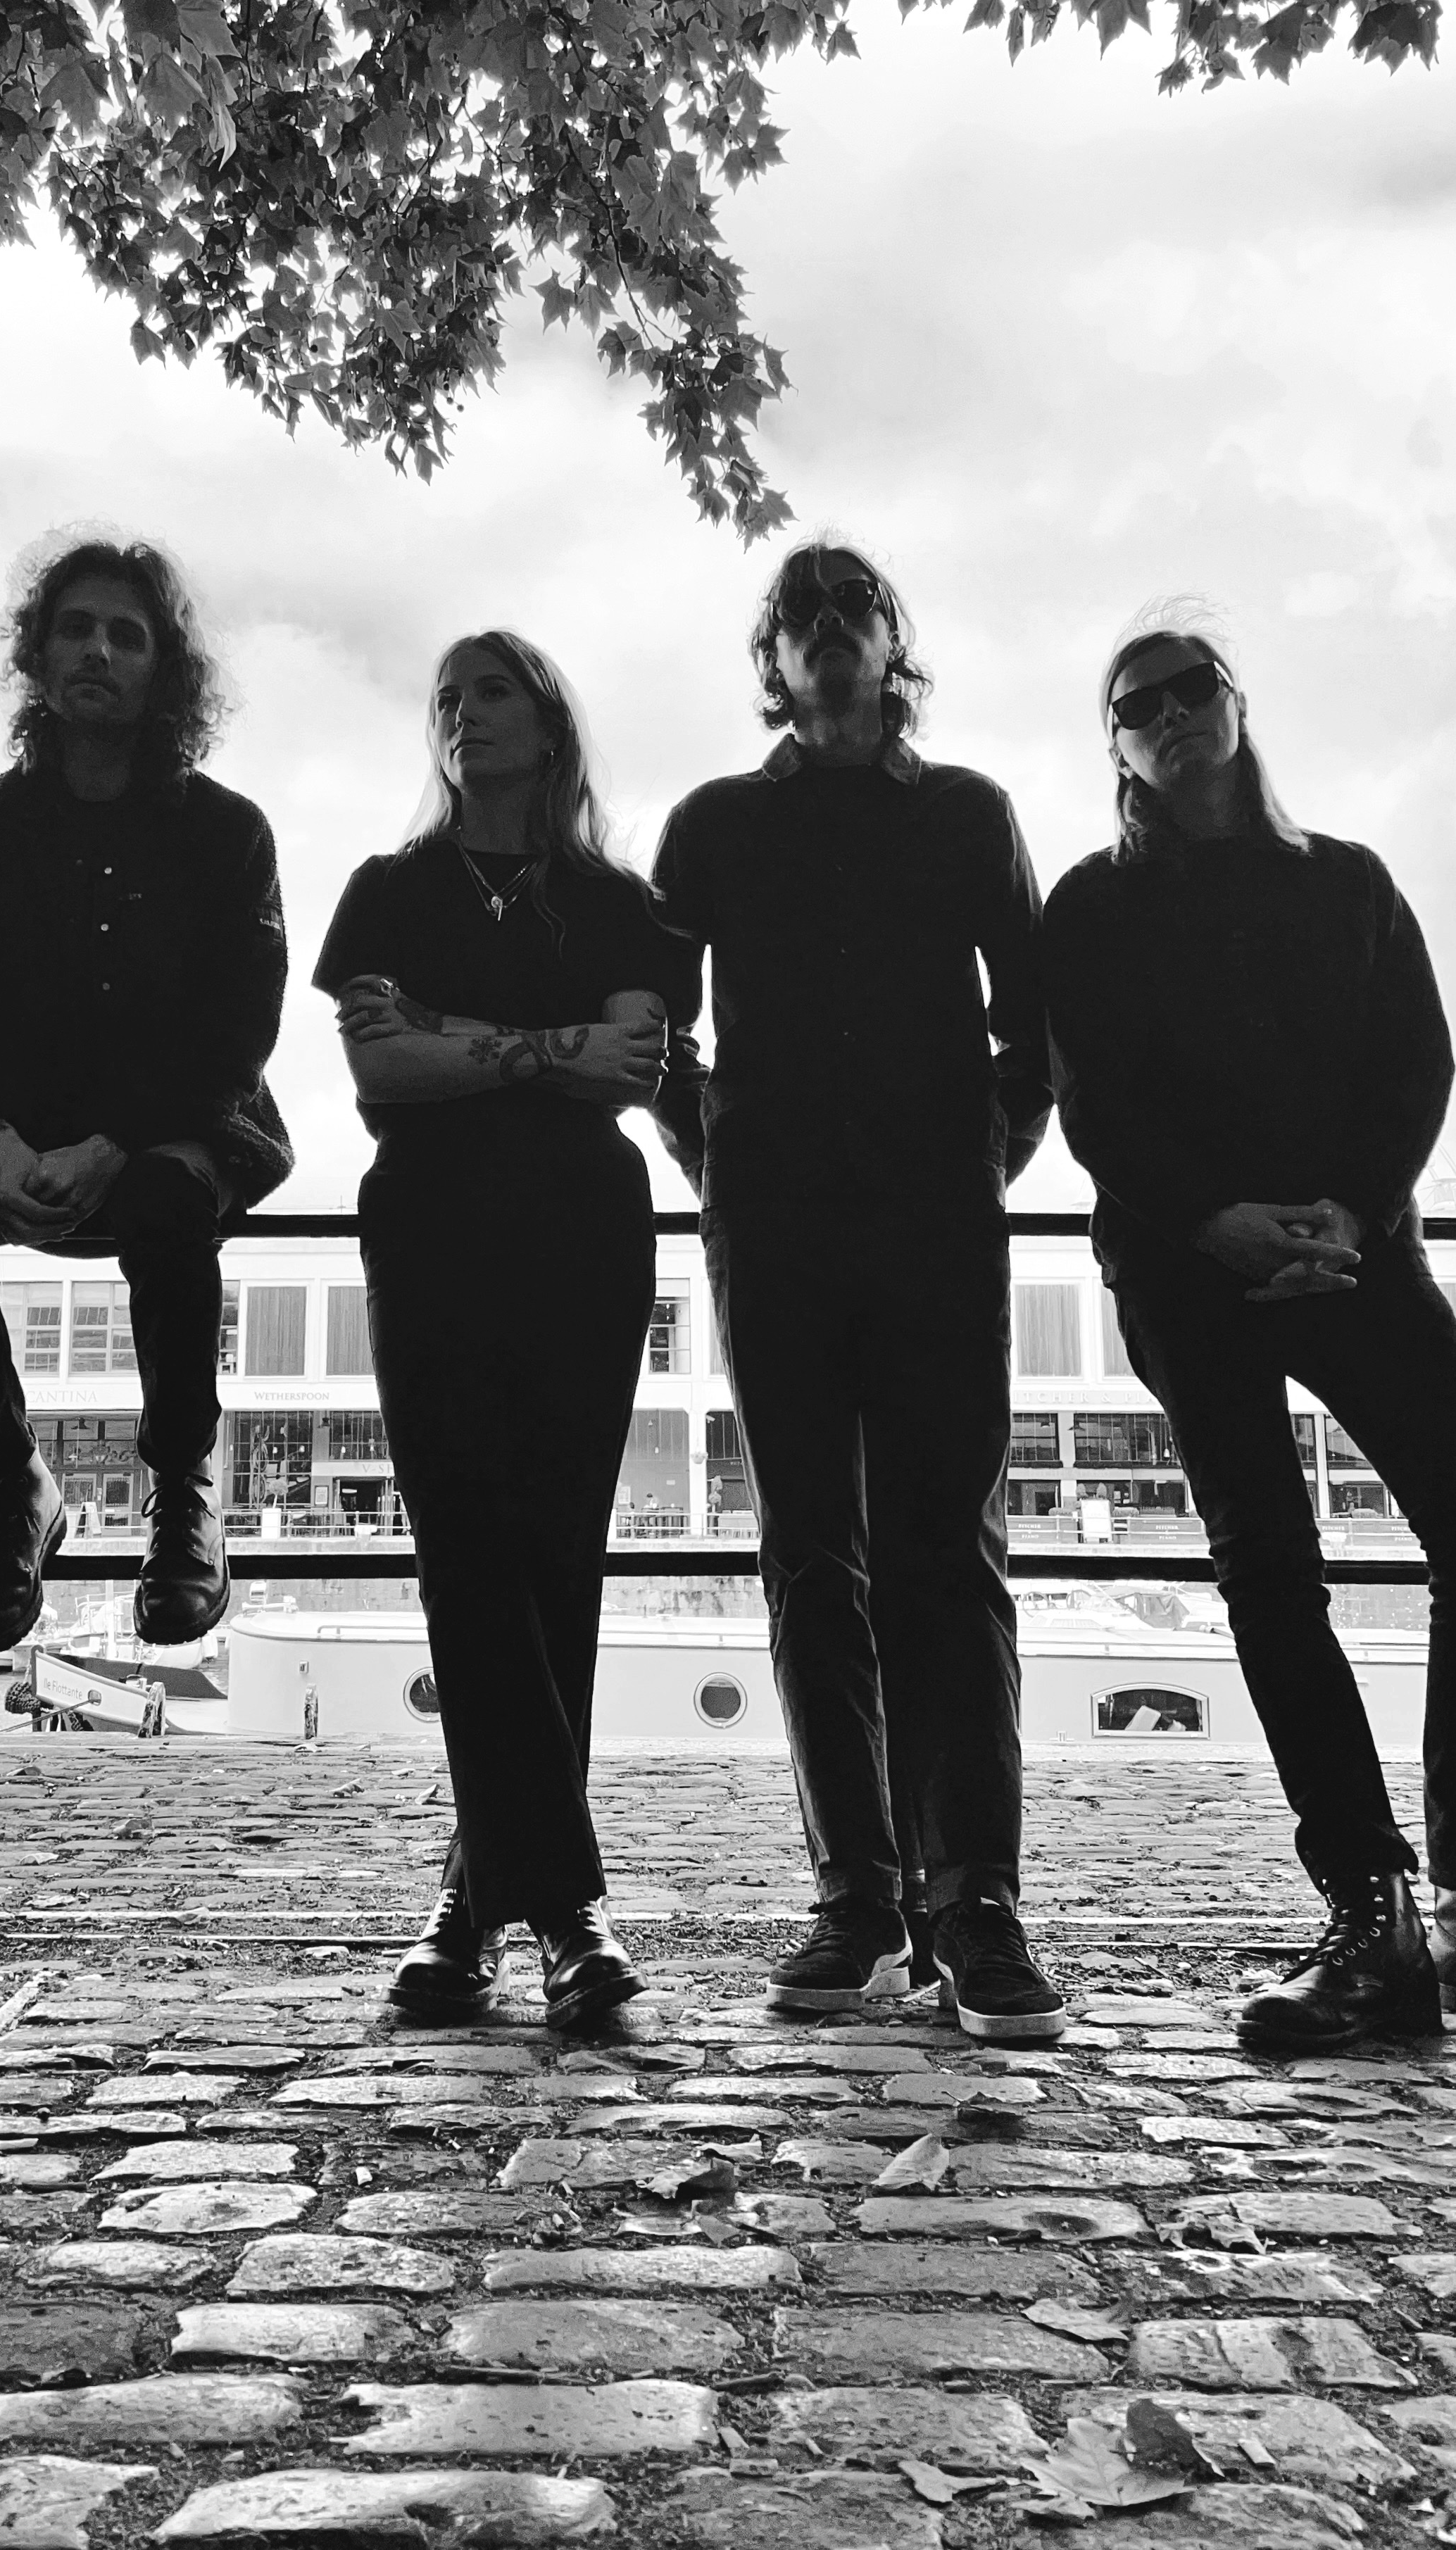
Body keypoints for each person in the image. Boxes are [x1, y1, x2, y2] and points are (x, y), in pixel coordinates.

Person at [652, 539, 1065, 2042]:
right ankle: (859, 1898)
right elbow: (653, 1023)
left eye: (854, 610)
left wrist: (985, 1154)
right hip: (771, 1227)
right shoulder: (711, 824)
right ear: (772, 661)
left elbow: (1036, 1020)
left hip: (936, 1222)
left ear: (895, 645)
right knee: (809, 1553)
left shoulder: (968, 812)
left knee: (948, 1550)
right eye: (800, 617)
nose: (828, 632)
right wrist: (714, 1153)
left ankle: (978, 1902)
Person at [1045, 607, 1456, 2049]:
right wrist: (1213, 1222)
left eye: (1187, 687)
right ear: (1117, 747)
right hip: (1186, 1271)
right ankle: (1369, 1912)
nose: (1165, 712)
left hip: (1356, 1256)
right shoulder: (1087, 909)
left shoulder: (1347, 882)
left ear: (1232, 702)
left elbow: (1418, 1061)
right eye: (1134, 703)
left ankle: (1449, 1892)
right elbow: (1092, 1105)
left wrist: (1347, 1213)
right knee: (1270, 1572)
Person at [316, 632, 701, 2028]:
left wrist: (462, 1037)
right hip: (427, 1234)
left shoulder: (620, 901)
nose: (462, 714)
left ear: (548, 723)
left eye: (491, 691)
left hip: (583, 1240)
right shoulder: (389, 888)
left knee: (552, 1561)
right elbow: (379, 1068)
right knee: (465, 1553)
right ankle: (565, 1911)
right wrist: (543, 1048)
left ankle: (473, 1904)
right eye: (446, 697)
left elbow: (630, 1069)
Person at [0, 536, 291, 1657]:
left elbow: (237, 1029)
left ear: (163, 669)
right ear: (39, 655)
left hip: (182, 1123)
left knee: (164, 1202)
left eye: (126, 633)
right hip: (11, 1123)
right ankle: (15, 1487)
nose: (98, 650)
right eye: (75, 627)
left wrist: (113, 1141)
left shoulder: (227, 831)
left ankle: (183, 1491)